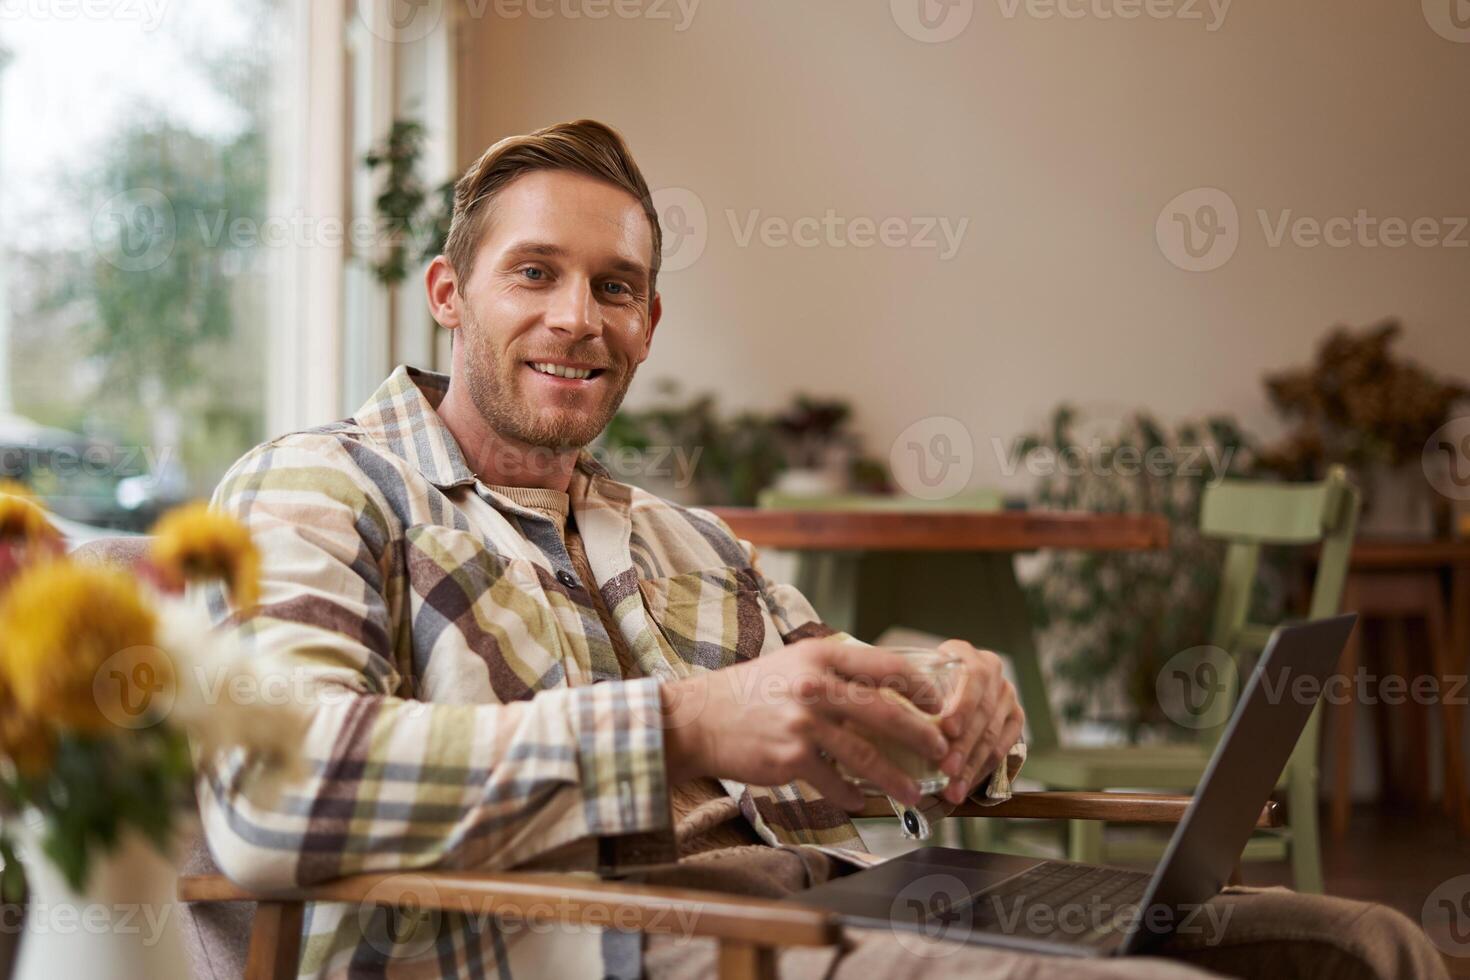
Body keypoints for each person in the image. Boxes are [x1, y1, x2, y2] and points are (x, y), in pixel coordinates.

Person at [190, 119, 1446, 980]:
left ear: (649, 322)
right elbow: (274, 792)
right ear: (450, 293)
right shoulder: (323, 487)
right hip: (628, 941)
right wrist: (679, 725)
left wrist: (954, 689)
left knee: (1369, 946)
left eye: (616, 287)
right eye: (535, 273)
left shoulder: (685, 539)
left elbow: (839, 690)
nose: (579, 317)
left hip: (852, 891)